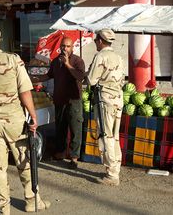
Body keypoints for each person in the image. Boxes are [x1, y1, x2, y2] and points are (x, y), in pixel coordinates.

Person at [0, 25, 50, 215]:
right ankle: (31, 201)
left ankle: (3, 208)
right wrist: (34, 115)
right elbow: (25, 90)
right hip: (16, 121)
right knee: (24, 161)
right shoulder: (14, 60)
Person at [31, 37, 85, 169]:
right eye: (63, 46)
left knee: (75, 128)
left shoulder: (78, 61)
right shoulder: (56, 61)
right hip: (59, 99)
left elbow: (80, 77)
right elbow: (49, 75)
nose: (64, 49)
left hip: (73, 100)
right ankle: (60, 152)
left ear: (72, 48)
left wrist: (67, 64)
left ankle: (74, 157)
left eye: (67, 46)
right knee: (60, 127)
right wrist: (36, 79)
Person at [86, 29, 125, 186]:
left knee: (106, 135)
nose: (95, 42)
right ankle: (116, 168)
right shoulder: (118, 57)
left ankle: (112, 174)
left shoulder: (100, 56)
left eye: (96, 40)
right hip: (118, 99)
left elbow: (91, 80)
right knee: (114, 135)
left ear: (100, 41)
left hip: (105, 101)